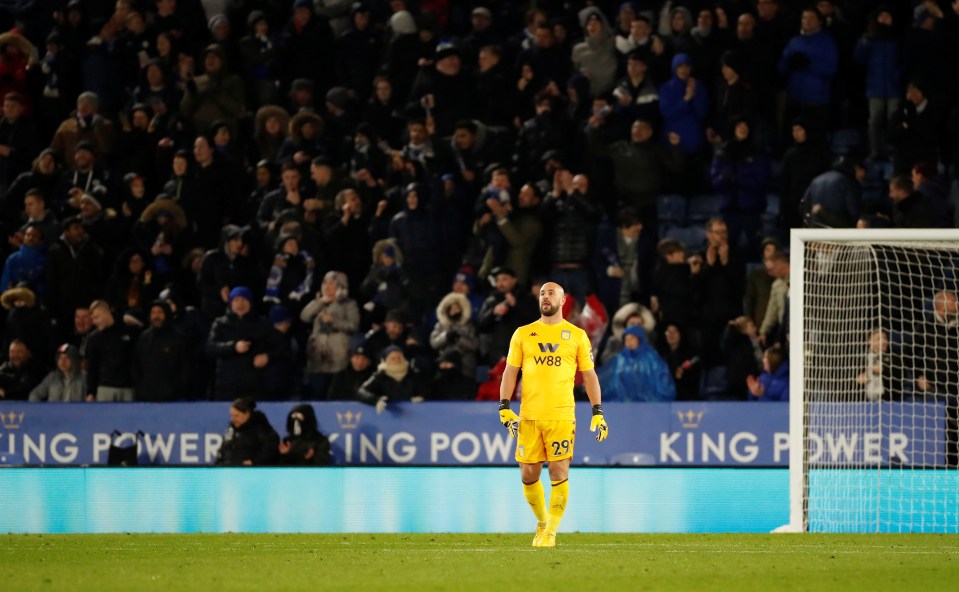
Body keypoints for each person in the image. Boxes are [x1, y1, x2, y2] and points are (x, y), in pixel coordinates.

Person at [497, 281, 607, 548]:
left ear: (563, 299)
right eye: (543, 294)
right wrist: (504, 407)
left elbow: (589, 375)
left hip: (560, 415)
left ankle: (552, 532)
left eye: (551, 293)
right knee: (528, 475)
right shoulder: (523, 334)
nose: (546, 297)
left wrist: (597, 412)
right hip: (529, 415)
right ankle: (542, 521)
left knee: (558, 472)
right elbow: (511, 372)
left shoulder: (577, 335)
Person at [597, 325, 676, 402]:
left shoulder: (651, 357)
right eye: (626, 340)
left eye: (632, 339)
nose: (628, 342)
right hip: (624, 406)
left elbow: (662, 378)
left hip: (649, 406)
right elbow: (609, 379)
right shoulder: (620, 359)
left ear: (639, 339)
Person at [214, 397, 280, 466]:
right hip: (228, 470)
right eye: (232, 415)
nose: (233, 419)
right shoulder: (231, 429)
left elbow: (270, 450)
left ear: (247, 414)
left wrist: (254, 462)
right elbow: (223, 449)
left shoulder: (261, 429)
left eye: (236, 416)